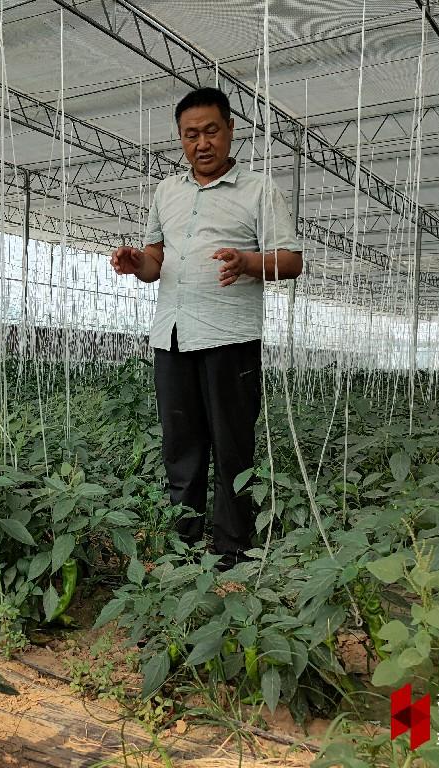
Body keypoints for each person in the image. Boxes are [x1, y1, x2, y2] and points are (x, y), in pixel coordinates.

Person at [110, 87, 303, 569]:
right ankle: (184, 543)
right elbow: (156, 261)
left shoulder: (259, 190)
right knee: (182, 446)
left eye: (211, 131)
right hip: (172, 336)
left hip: (230, 338)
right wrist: (138, 263)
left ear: (231, 130)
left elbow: (292, 261)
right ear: (180, 138)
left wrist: (248, 262)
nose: (202, 143)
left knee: (233, 445)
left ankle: (233, 548)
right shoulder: (166, 192)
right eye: (191, 134)